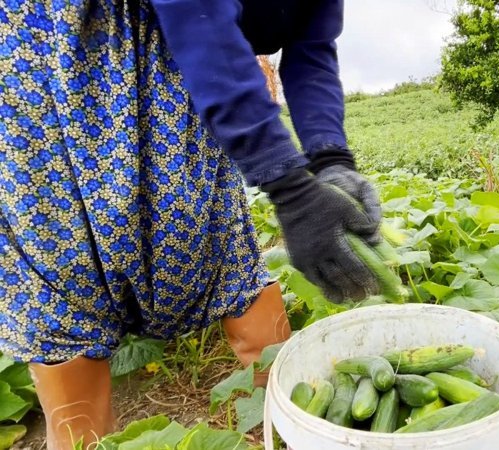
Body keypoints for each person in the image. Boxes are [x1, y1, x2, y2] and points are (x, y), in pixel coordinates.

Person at [0, 0, 382, 448]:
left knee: (213, 236)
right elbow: (196, 12)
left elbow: (311, 47)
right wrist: (291, 189)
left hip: (183, 70)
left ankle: (287, 425)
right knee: (68, 268)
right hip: (62, 54)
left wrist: (332, 158)